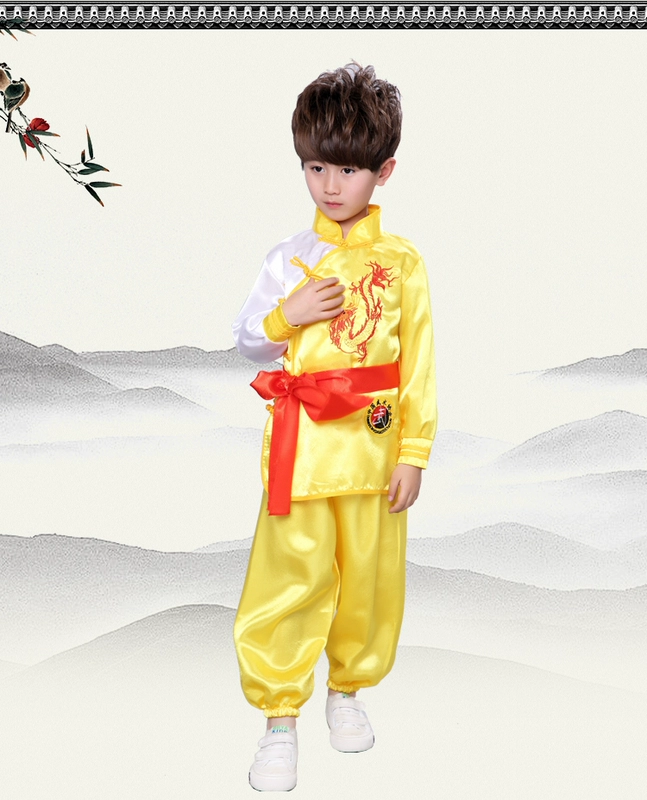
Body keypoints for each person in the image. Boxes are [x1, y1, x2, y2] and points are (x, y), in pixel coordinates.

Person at [231, 61, 437, 792]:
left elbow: (417, 363)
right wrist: (286, 318)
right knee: (289, 578)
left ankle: (347, 689)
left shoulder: (402, 263)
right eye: (315, 166)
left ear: (383, 172)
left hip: (375, 450)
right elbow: (247, 343)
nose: (328, 185)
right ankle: (278, 718)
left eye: (347, 169)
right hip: (302, 450)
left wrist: (414, 450)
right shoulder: (289, 258)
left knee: (369, 579)